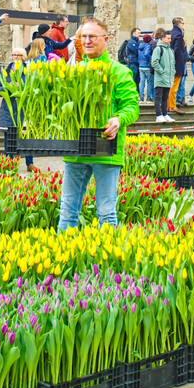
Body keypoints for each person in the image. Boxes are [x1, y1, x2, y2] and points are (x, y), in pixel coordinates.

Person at [58, 18, 139, 230]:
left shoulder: (119, 71)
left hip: (105, 148)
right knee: (67, 210)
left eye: (92, 36)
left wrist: (118, 119)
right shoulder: (73, 71)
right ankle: (66, 257)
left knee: (106, 211)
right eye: (83, 36)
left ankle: (109, 261)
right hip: (75, 149)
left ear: (105, 39)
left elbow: (132, 107)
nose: (87, 41)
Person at [0, 48, 34, 172]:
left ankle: (30, 163)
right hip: (9, 108)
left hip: (23, 108)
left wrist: (21, 86)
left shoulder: (27, 70)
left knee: (26, 135)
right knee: (9, 136)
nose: (16, 57)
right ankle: (9, 162)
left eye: (18, 55)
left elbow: (32, 86)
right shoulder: (6, 71)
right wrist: (9, 87)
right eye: (14, 55)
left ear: (23, 57)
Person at [151, 30, 175, 123]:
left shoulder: (170, 50)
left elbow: (172, 63)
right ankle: (158, 115)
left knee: (165, 97)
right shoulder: (158, 49)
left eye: (170, 38)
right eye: (168, 38)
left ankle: (165, 114)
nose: (170, 40)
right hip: (161, 77)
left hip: (168, 78)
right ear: (162, 38)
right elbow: (154, 62)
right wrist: (162, 71)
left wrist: (172, 72)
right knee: (158, 96)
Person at [169, 17, 188, 112]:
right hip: (177, 64)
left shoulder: (171, 33)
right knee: (174, 85)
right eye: (182, 23)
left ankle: (169, 105)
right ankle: (172, 106)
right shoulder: (179, 35)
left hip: (171, 64)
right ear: (179, 24)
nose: (183, 25)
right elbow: (177, 51)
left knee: (170, 85)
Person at [137, 32, 154, 102]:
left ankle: (141, 97)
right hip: (147, 66)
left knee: (142, 82)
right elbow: (147, 54)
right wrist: (151, 59)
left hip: (141, 66)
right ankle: (148, 97)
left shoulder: (140, 46)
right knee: (149, 82)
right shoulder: (148, 46)